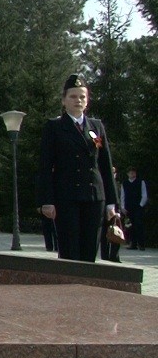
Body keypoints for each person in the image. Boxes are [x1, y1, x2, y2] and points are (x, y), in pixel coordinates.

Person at [36, 74, 118, 263]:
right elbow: (45, 166)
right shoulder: (55, 127)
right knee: (70, 251)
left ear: (87, 100)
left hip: (94, 196)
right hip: (67, 196)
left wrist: (112, 203)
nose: (78, 100)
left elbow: (105, 165)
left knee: (89, 251)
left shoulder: (96, 127)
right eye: (73, 96)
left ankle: (87, 282)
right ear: (64, 100)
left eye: (82, 96)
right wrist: (46, 200)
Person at [122, 167, 148, 250]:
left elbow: (144, 195)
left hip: (138, 207)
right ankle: (133, 244)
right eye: (130, 172)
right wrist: (123, 207)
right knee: (130, 226)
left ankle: (141, 244)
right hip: (128, 207)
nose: (132, 174)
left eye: (133, 172)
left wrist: (141, 205)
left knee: (139, 225)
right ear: (127, 174)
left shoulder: (141, 182)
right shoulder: (125, 183)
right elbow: (122, 196)